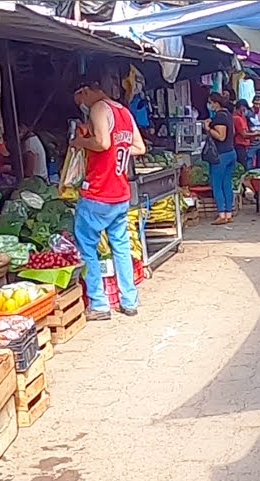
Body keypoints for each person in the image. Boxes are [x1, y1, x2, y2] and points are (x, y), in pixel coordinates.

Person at [71, 81, 147, 320]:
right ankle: (129, 301)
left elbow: (103, 143)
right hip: (120, 193)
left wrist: (80, 142)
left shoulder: (99, 108)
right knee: (121, 248)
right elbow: (139, 147)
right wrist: (118, 148)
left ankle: (99, 304)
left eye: (80, 100)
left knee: (88, 248)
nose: (82, 105)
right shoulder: (124, 112)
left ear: (85, 91)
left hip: (98, 192)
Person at [203, 92, 237, 224]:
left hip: (221, 155)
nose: (209, 105)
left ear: (216, 103)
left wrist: (208, 128)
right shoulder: (228, 115)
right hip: (231, 152)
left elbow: (221, 136)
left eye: (210, 103)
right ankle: (228, 214)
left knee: (217, 185)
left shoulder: (219, 117)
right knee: (227, 184)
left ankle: (222, 215)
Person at [233, 99, 260, 170]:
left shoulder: (242, 117)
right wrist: (256, 134)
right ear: (241, 107)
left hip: (246, 144)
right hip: (240, 145)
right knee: (245, 167)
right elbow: (244, 134)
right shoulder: (237, 118)